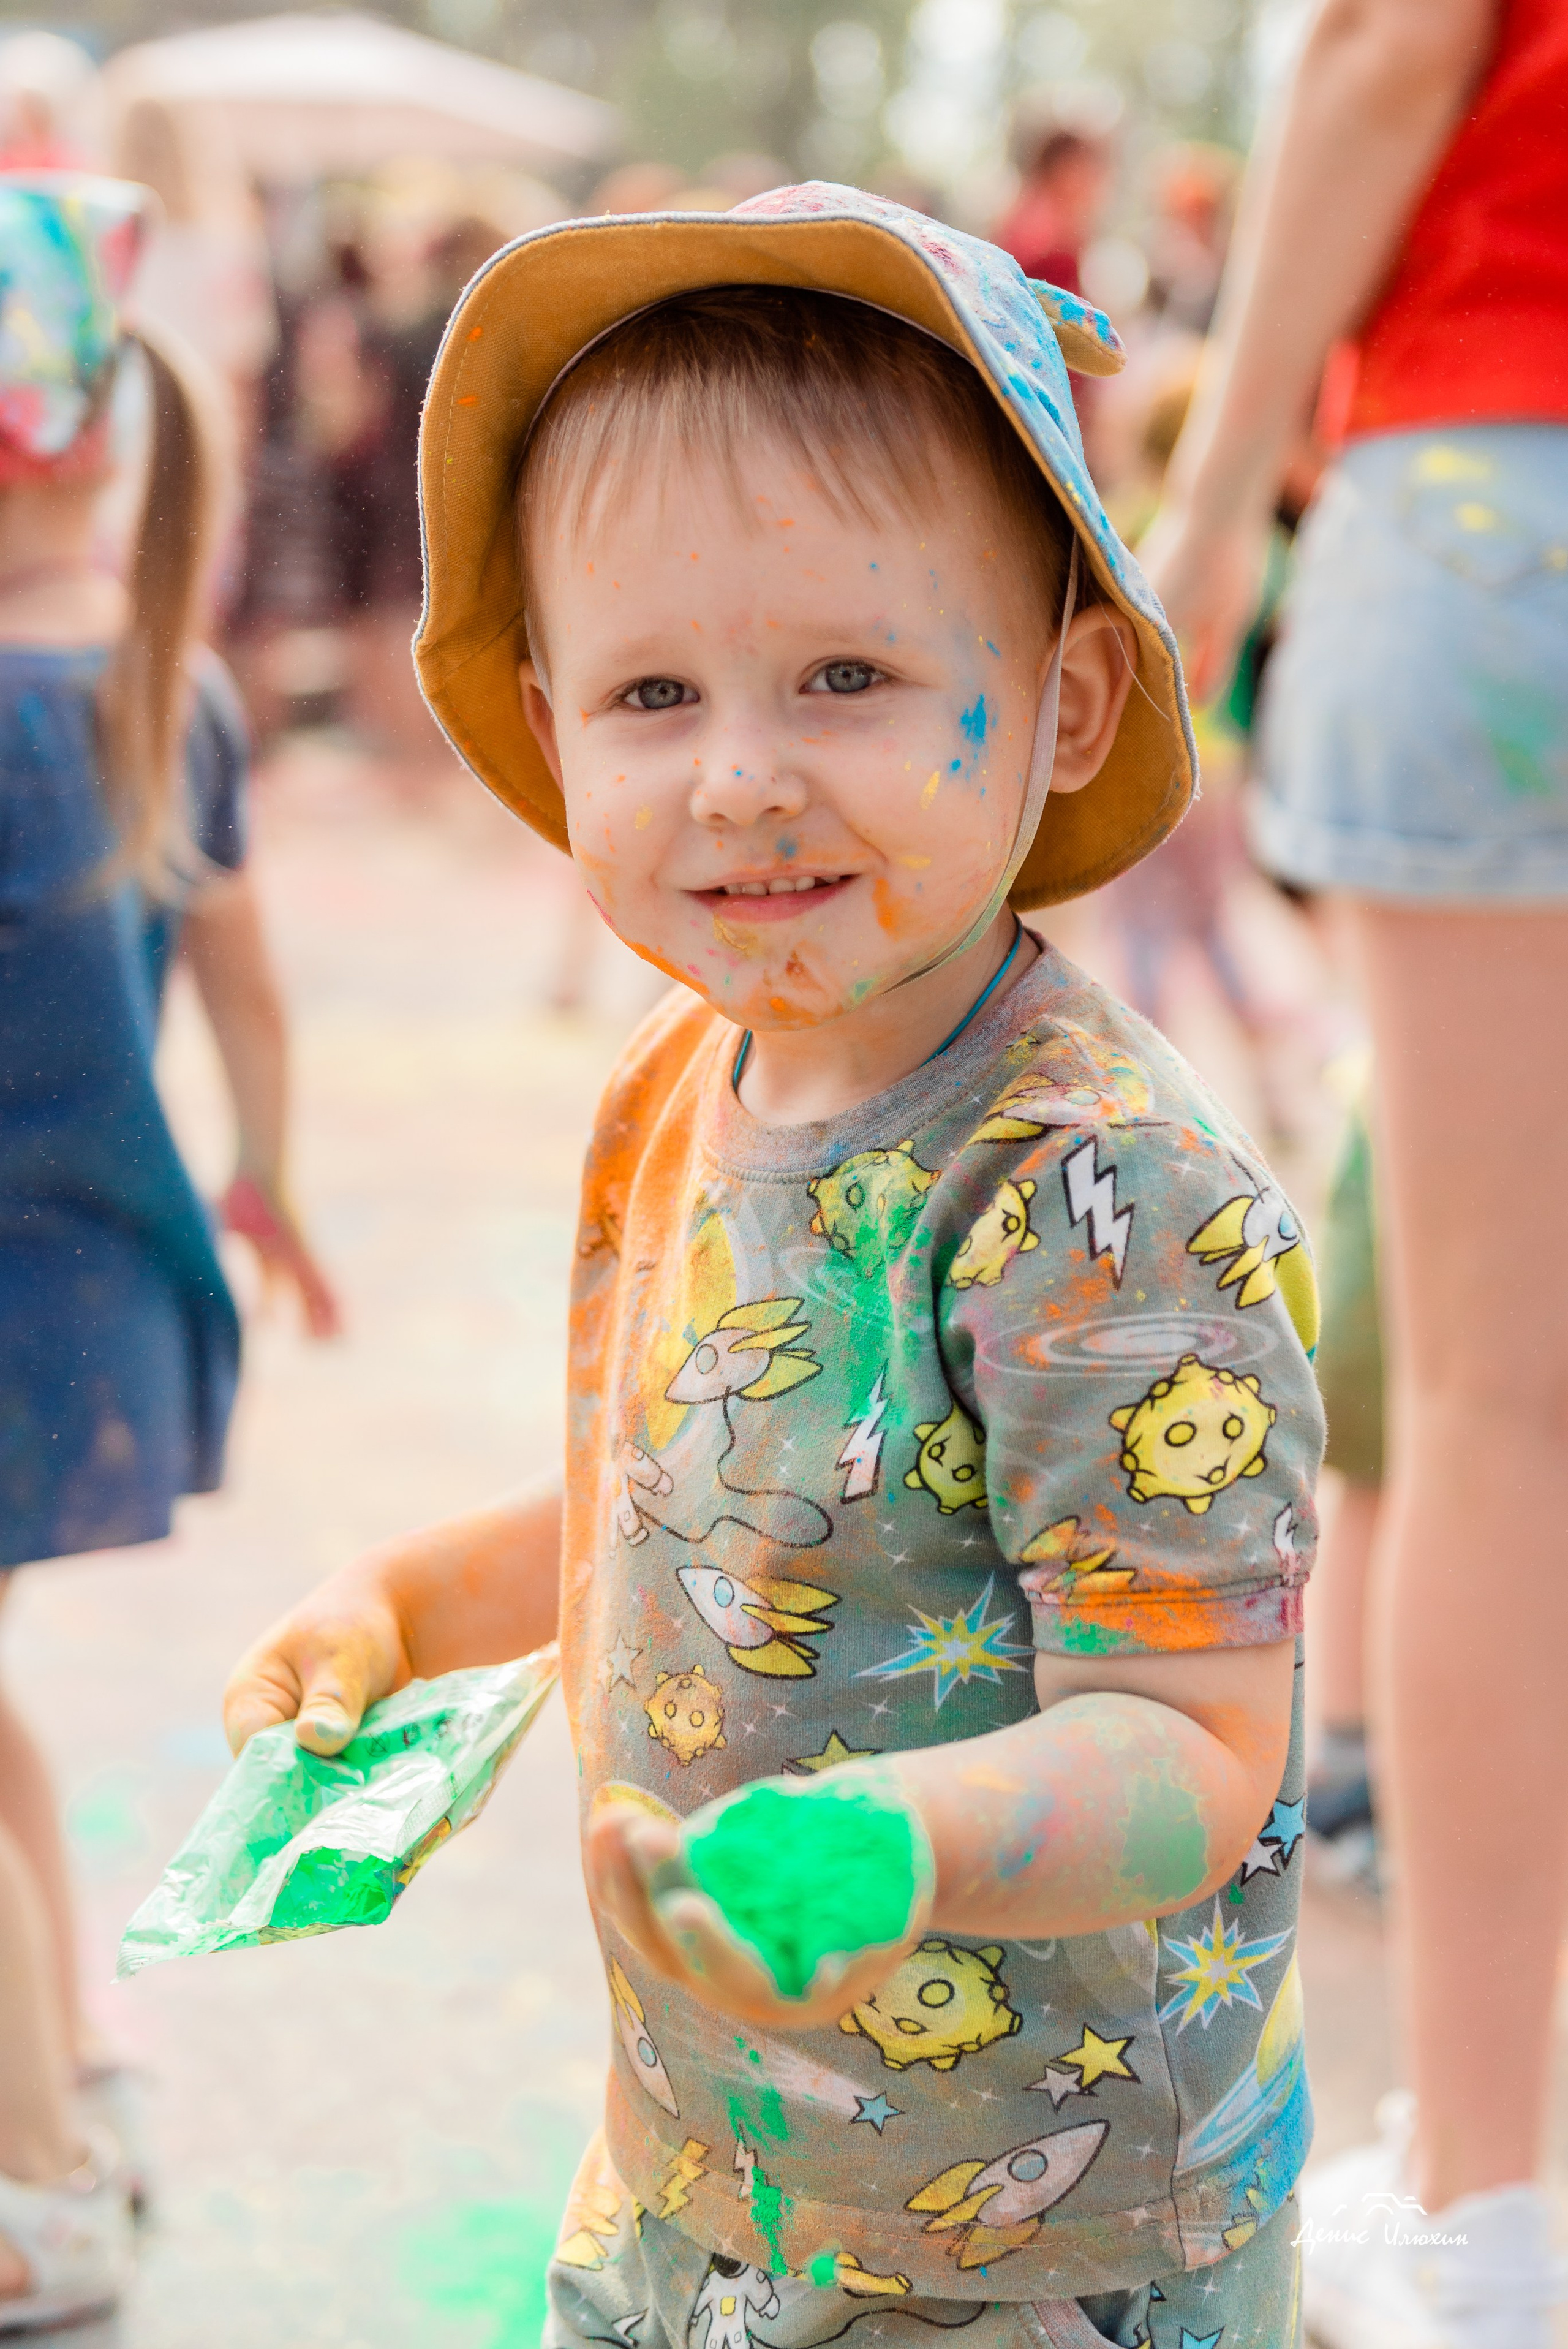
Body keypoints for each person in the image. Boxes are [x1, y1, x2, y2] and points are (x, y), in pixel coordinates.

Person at [222, 187, 1325, 2341]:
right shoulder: (676, 1077)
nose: (739, 774)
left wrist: (894, 1845)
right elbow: (712, 1499)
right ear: (551, 727)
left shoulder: (1102, 1203)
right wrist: (410, 1606)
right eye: (652, 689)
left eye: (846, 671)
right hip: (710, 2155)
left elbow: (1192, 1737)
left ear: (1068, 697)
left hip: (1031, 2227)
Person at [1142, 0, 1568, 2338]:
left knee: (1508, 1408)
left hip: (1504, 470)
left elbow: (1397, 44)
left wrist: (1209, 513)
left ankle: (1494, 2217)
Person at [0, 171, 335, 2328]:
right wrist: (271, 1181)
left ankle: (36, 2192)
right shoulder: (158, 687)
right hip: (95, 1294)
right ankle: (88, 2049)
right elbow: (251, 990)